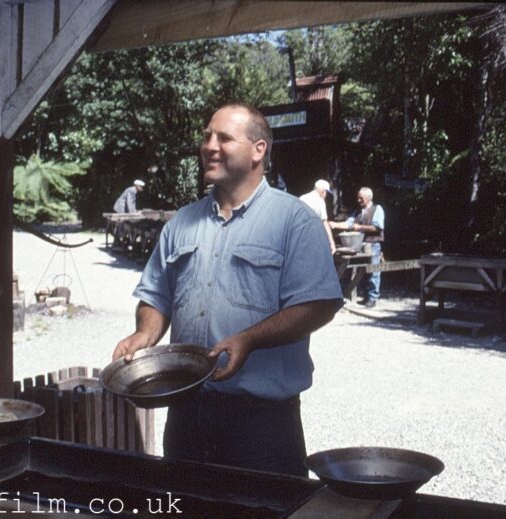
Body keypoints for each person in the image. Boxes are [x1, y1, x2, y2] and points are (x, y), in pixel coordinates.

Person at [113, 103, 343, 477]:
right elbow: (156, 295)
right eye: (206, 137)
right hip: (186, 415)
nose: (210, 146)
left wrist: (249, 339)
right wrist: (145, 331)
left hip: (263, 426)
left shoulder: (294, 220)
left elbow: (319, 304)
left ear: (258, 150)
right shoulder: (181, 223)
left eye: (224, 137)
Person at [330, 187, 385, 307]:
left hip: (373, 244)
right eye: (358, 197)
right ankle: (366, 296)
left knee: (374, 270)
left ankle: (373, 297)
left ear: (369, 197)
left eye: (361, 197)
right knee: (363, 271)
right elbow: (349, 224)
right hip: (361, 244)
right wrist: (334, 224)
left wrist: (359, 227)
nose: (358, 200)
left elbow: (378, 227)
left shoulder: (377, 209)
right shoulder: (358, 211)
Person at [299, 179, 337, 254]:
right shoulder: (320, 202)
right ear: (323, 191)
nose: (326, 196)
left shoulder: (302, 198)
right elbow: (324, 223)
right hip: (312, 239)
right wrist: (332, 244)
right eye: (326, 193)